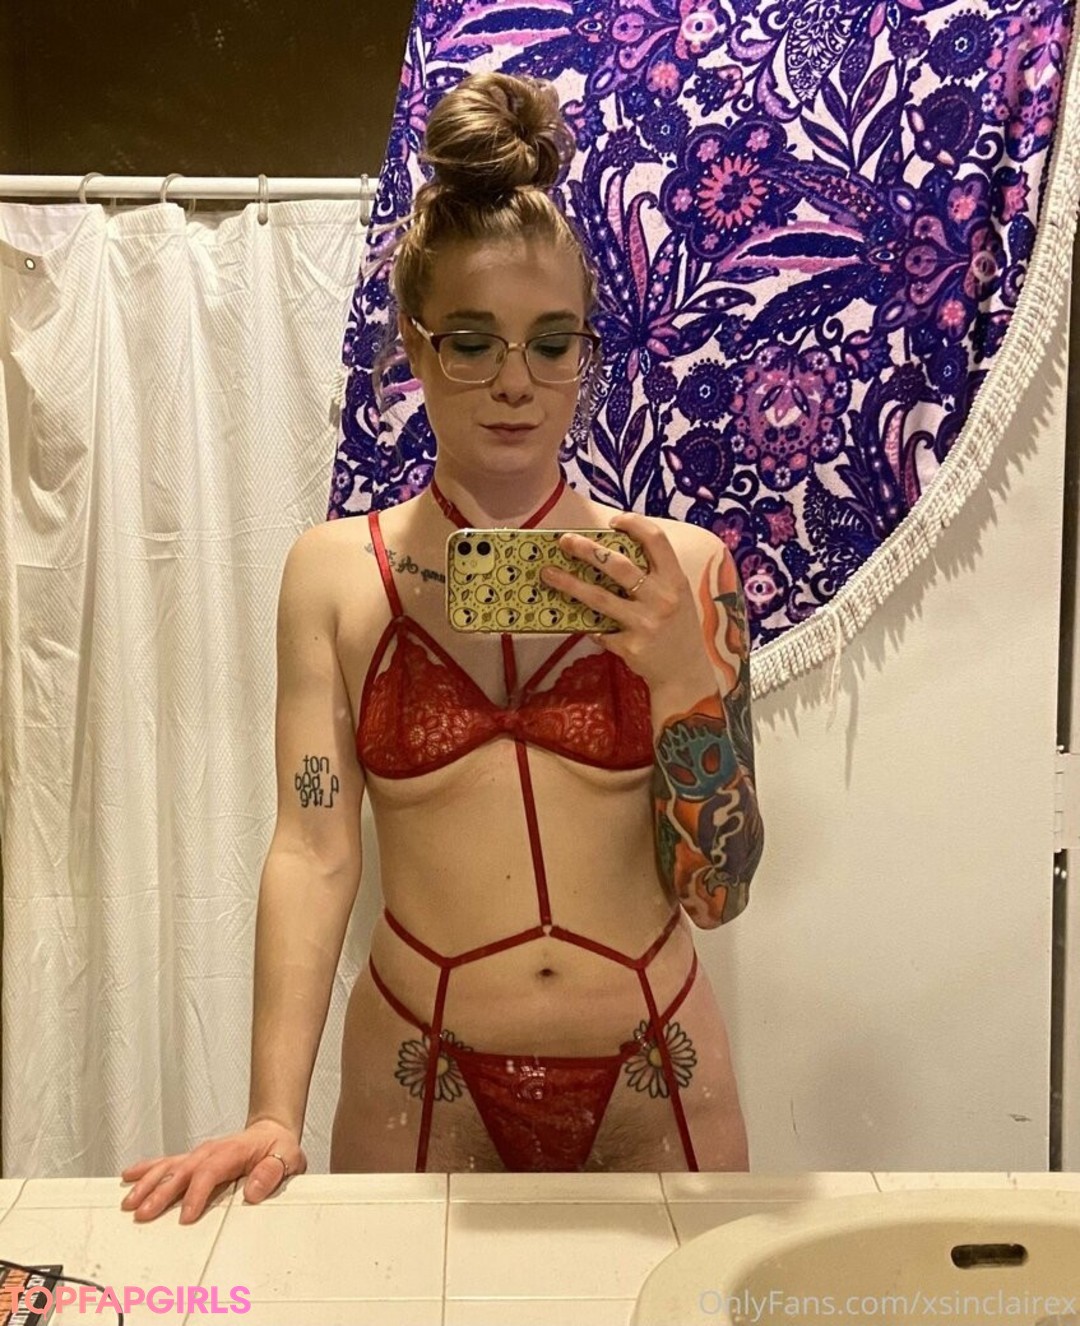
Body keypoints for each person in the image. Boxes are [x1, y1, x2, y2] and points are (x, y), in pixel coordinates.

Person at [120, 70, 764, 1225]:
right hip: (424, 1076)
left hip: (654, 1065)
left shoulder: (684, 572)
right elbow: (313, 847)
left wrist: (680, 681)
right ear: (415, 349)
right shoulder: (335, 577)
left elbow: (720, 892)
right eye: (472, 342)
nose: (515, 381)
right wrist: (271, 1111)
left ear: (586, 352)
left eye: (552, 343)